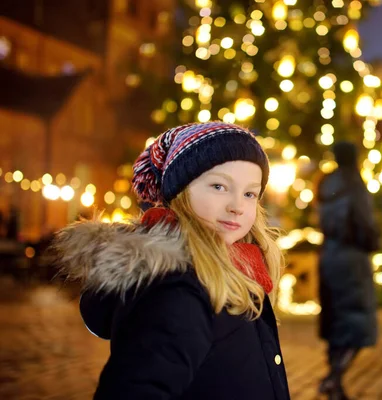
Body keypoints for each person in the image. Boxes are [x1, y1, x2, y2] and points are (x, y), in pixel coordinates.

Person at [52, 122, 290, 399]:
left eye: (249, 193)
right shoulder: (178, 286)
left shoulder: (240, 269)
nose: (237, 205)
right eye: (219, 186)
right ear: (180, 193)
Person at [316, 141, 379, 400]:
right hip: (351, 258)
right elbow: (364, 221)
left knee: (336, 321)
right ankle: (333, 379)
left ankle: (335, 383)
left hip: (328, 255)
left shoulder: (325, 182)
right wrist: (374, 242)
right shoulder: (354, 183)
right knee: (357, 324)